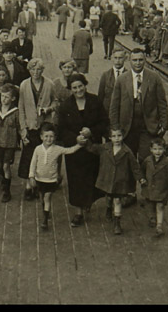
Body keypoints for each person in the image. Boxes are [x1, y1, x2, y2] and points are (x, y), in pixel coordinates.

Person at [58, 73, 108, 227]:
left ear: (85, 85)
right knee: (76, 179)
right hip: (75, 150)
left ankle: (89, 202)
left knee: (93, 176)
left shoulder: (95, 101)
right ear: (70, 89)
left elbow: (104, 122)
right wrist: (75, 139)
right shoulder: (66, 106)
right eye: (74, 87)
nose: (78, 90)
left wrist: (91, 131)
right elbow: (61, 130)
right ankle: (79, 212)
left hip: (93, 148)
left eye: (80, 86)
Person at [109, 48, 168, 162]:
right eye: (135, 60)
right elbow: (114, 106)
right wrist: (115, 127)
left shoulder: (154, 78)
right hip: (128, 126)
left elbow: (162, 102)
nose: (138, 63)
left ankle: (144, 179)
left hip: (147, 126)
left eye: (140, 60)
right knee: (128, 158)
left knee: (146, 158)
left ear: (145, 60)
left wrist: (164, 125)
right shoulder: (122, 79)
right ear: (129, 61)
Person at [85, 126, 145, 234]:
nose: (117, 139)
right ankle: (108, 209)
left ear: (123, 136)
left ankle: (117, 223)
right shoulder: (105, 148)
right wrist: (85, 140)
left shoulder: (127, 151)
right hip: (107, 179)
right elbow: (93, 148)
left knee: (117, 200)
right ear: (110, 137)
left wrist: (140, 178)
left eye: (119, 136)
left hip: (120, 181)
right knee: (108, 197)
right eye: (114, 136)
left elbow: (134, 166)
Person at [29, 123, 86, 231]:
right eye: (46, 136)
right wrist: (31, 176)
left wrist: (79, 145)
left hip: (51, 180)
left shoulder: (57, 149)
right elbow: (33, 163)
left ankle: (45, 221)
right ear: (41, 137)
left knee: (47, 197)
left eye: (51, 136)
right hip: (39, 179)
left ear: (55, 137)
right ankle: (45, 211)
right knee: (42, 197)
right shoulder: (37, 149)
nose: (48, 139)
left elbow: (69, 150)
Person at [18, 58, 58, 201]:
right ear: (29, 70)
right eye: (33, 69)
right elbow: (21, 108)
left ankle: (41, 184)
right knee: (28, 156)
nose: (36, 72)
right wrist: (22, 129)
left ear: (42, 70)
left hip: (44, 126)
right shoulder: (24, 85)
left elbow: (55, 101)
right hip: (30, 126)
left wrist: (48, 109)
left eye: (39, 70)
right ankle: (29, 185)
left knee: (43, 156)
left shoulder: (49, 84)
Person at [0, 84, 21, 202]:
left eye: (7, 97)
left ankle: (7, 191)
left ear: (13, 99)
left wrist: (22, 139)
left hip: (9, 143)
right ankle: (3, 180)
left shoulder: (15, 112)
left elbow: (19, 127)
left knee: (6, 166)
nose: (4, 99)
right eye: (2, 96)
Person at [141, 137, 168, 237]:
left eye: (160, 149)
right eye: (155, 149)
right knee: (149, 205)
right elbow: (142, 170)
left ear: (164, 150)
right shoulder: (147, 161)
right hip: (149, 188)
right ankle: (151, 218)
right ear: (150, 150)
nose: (157, 152)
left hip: (161, 189)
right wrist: (142, 179)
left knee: (160, 206)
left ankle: (159, 226)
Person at [98, 47, 127, 116]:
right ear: (112, 58)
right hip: (108, 111)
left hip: (124, 112)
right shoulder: (105, 75)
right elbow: (100, 96)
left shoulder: (129, 75)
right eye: (115, 58)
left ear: (125, 59)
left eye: (120, 58)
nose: (118, 61)